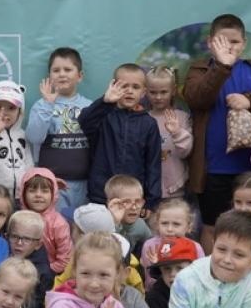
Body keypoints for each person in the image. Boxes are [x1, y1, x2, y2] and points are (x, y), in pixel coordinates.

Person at [184, 15, 251, 239]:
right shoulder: (199, 69)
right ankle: (211, 273)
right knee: (212, 225)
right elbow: (197, 98)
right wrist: (222, 67)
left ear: (244, 43)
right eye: (222, 41)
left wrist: (250, 101)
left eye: (234, 42)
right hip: (214, 167)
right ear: (210, 42)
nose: (229, 46)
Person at [80, 64, 164, 210]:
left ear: (144, 92)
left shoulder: (149, 124)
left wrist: (150, 203)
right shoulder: (104, 116)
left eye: (135, 87)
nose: (129, 91)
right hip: (101, 195)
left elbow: (153, 165)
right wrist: (105, 101)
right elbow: (84, 121)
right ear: (113, 86)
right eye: (124, 86)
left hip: (133, 199)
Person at [25, 47, 93, 217]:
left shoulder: (89, 107)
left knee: (80, 229)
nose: (62, 74)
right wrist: (48, 104)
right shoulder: (41, 105)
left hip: (84, 184)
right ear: (49, 76)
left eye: (68, 69)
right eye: (56, 70)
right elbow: (34, 137)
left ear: (80, 75)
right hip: (52, 183)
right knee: (54, 229)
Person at [145, 66, 194, 206]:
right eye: (153, 92)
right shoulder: (142, 119)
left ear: (173, 90)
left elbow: (186, 152)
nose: (158, 97)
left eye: (163, 92)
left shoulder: (182, 118)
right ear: (145, 91)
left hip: (175, 189)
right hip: (147, 190)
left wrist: (177, 132)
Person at [6, 209, 56, 308]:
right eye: (14, 236)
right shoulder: (3, 253)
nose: (19, 243)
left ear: (38, 244)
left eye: (26, 239)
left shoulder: (43, 272)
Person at [18, 168, 72, 275]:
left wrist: (46, 272)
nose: (38, 195)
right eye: (32, 190)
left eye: (45, 191)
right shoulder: (18, 218)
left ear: (53, 194)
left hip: (50, 273)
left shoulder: (58, 223)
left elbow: (65, 257)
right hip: (20, 271)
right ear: (23, 193)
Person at [0, 80, 33, 199]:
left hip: (20, 197)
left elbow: (29, 164)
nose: (5, 112)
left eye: (11, 108)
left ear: (19, 111)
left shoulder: (23, 134)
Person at [140, 198, 202, 286]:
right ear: (157, 224)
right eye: (164, 223)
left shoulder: (196, 247)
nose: (169, 229)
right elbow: (150, 280)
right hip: (158, 292)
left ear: (189, 227)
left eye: (176, 224)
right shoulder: (150, 246)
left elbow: (200, 276)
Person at [104, 174, 152, 255]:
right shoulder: (104, 225)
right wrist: (116, 222)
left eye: (138, 201)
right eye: (126, 202)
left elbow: (151, 243)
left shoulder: (140, 225)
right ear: (112, 203)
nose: (134, 207)